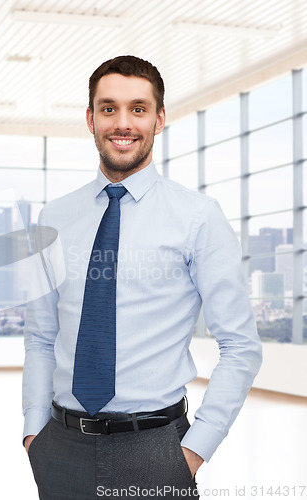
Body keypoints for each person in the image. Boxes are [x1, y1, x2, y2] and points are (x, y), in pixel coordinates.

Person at [22, 55, 262, 499]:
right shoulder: (53, 218)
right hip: (60, 446)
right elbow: (40, 336)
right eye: (109, 108)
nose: (123, 123)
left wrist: (191, 451)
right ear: (91, 119)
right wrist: (34, 432)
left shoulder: (198, 218)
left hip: (157, 449)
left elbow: (241, 346)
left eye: (138, 108)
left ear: (160, 118)